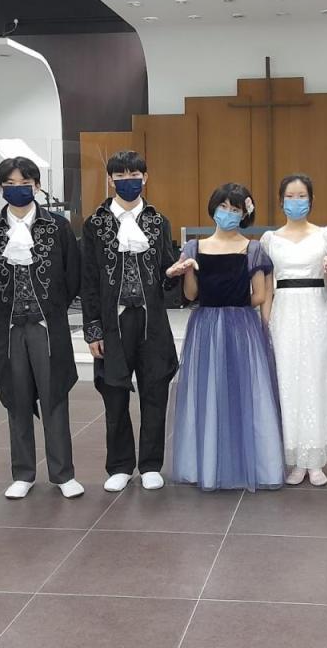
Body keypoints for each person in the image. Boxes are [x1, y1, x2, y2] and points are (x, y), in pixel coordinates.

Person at [0, 157, 84, 500]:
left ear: (36, 185)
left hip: (48, 326)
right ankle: (22, 473)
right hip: (9, 328)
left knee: (55, 397)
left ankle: (63, 473)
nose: (17, 188)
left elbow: (73, 276)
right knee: (16, 399)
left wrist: (52, 308)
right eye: (10, 183)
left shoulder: (57, 226)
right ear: (0, 187)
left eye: (24, 182)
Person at [169, 183, 285, 491]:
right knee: (209, 393)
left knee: (244, 393)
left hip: (240, 325)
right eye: (224, 207)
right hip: (205, 326)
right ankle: (208, 464)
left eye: (235, 209)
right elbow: (190, 294)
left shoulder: (253, 248)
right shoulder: (194, 247)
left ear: (245, 214)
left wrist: (231, 299)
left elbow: (260, 294)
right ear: (213, 208)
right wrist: (189, 270)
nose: (228, 213)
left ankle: (250, 463)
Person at [80, 150, 179, 492]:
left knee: (155, 390)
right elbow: (89, 280)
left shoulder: (158, 221)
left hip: (152, 322)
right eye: (120, 176)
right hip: (113, 322)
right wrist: (93, 329)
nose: (128, 181)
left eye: (134, 175)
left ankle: (150, 464)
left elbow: (166, 273)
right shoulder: (95, 224)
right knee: (114, 393)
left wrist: (175, 274)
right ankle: (120, 465)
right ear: (110, 180)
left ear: (145, 178)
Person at [260, 174, 327, 487]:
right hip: (284, 313)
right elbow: (267, 286)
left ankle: (316, 459)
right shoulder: (269, 239)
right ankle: (295, 458)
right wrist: (266, 322)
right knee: (288, 382)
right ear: (281, 201)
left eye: (301, 196)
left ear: (311, 200)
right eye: (290, 196)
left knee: (316, 379)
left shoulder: (325, 235)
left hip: (317, 311)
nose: (296, 201)